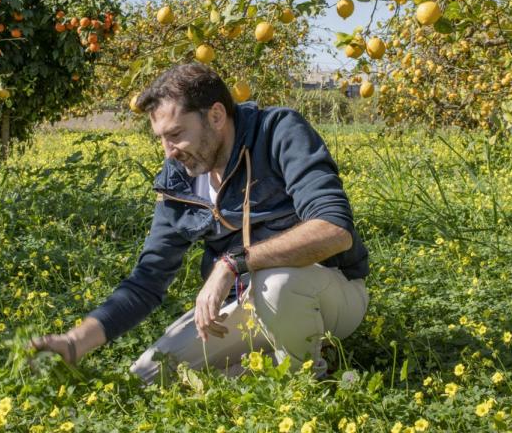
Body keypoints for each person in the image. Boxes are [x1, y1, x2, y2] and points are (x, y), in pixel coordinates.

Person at [29, 63, 369, 383]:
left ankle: (305, 379)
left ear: (216, 115)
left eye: (176, 134)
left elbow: (334, 229)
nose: (168, 151)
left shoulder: (277, 132)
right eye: (161, 138)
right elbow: (147, 279)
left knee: (275, 282)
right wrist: (74, 343)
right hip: (244, 304)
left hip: (326, 292)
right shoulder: (178, 178)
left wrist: (233, 263)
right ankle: (263, 368)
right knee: (150, 376)